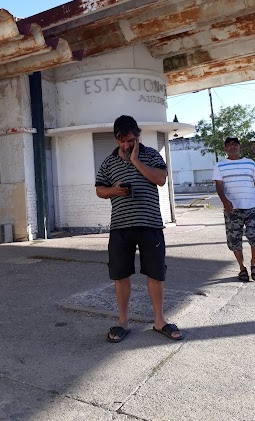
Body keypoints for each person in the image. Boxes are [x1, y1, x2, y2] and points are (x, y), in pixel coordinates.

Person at [95, 115, 183, 342]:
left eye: (130, 140)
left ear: (137, 136)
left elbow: (161, 179)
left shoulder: (152, 155)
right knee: (121, 274)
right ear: (116, 139)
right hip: (120, 227)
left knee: (155, 273)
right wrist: (114, 190)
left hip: (150, 224)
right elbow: (99, 190)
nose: (126, 145)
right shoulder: (108, 162)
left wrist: (136, 161)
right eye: (121, 141)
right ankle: (122, 322)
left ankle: (159, 321)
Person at [213, 136, 255, 282]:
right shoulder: (220, 165)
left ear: (239, 147)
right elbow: (219, 185)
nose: (232, 146)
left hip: (251, 207)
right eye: (228, 145)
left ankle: (254, 264)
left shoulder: (250, 163)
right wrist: (224, 201)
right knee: (234, 240)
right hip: (232, 209)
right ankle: (242, 268)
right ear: (225, 149)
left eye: (235, 144)